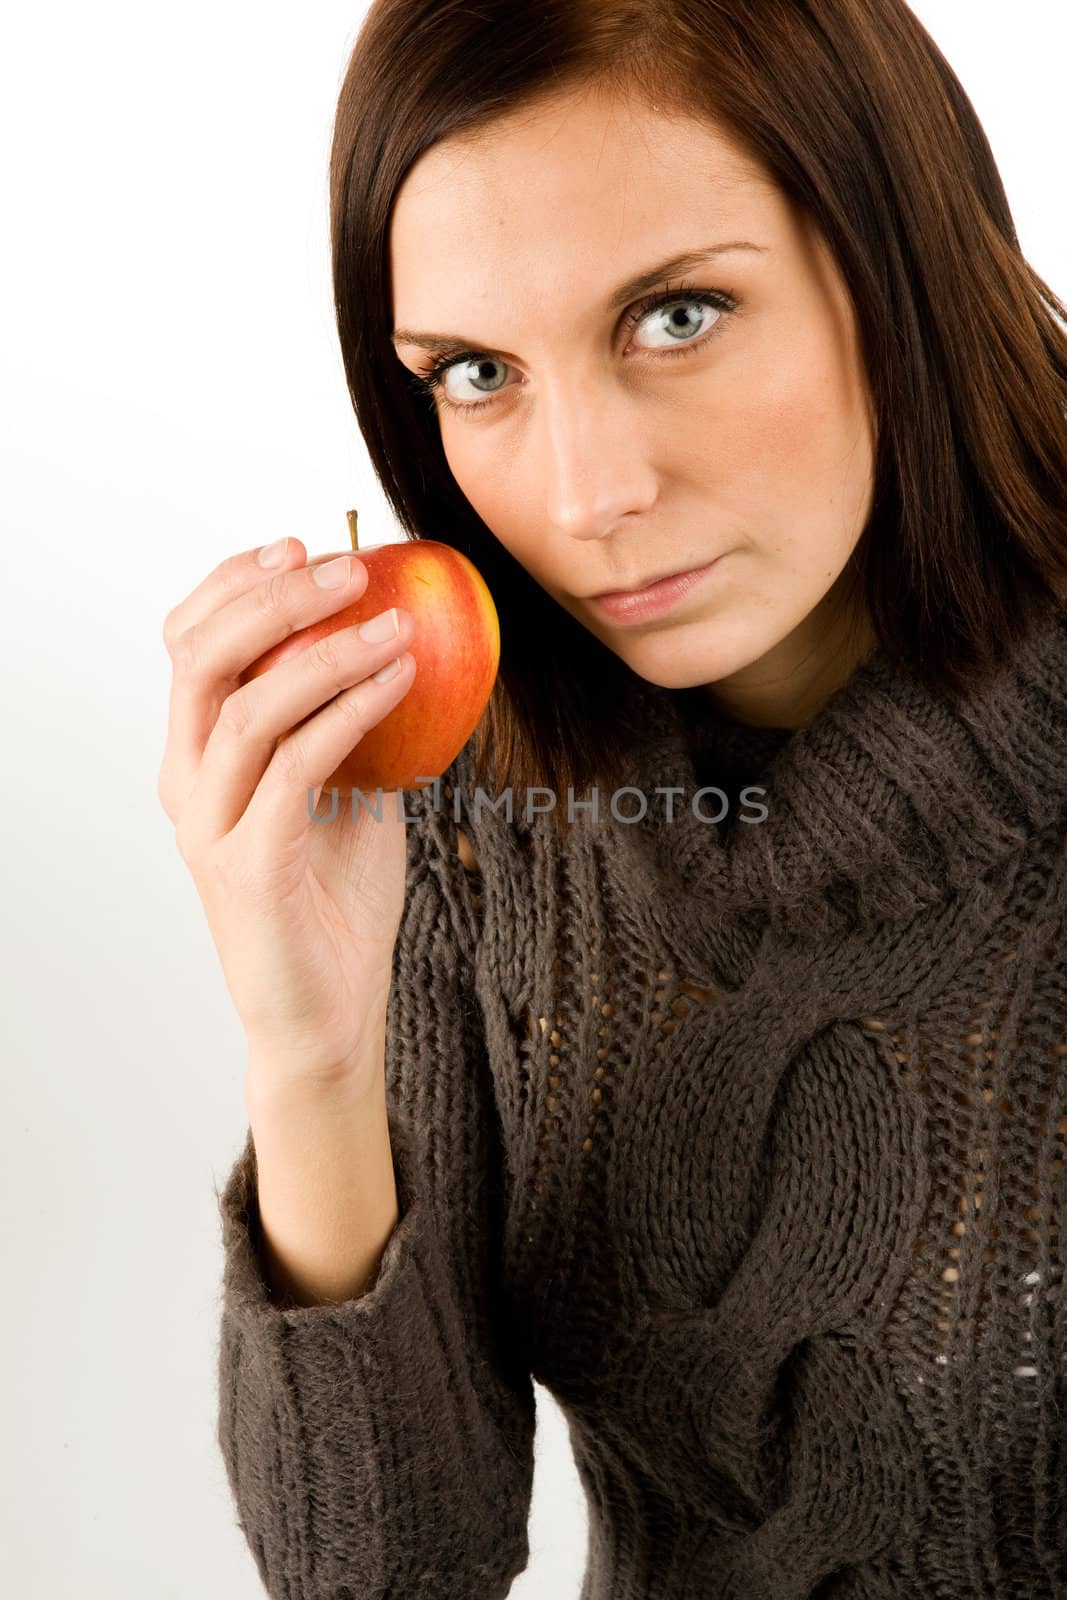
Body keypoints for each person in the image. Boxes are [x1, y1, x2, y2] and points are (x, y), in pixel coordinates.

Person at [157, 1, 1067, 1595]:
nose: (586, 500)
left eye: (677, 317)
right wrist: (310, 1046)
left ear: (901, 256)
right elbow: (386, 1575)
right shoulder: (473, 800)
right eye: (479, 370)